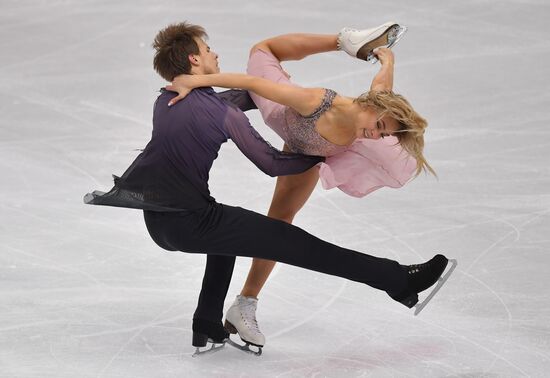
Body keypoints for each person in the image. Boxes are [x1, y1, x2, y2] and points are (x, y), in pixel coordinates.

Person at [84, 22, 452, 356]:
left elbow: (247, 94)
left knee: (227, 241)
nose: (216, 54)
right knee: (304, 247)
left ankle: (207, 324)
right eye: (208, 51)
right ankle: (399, 280)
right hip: (192, 222)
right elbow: (271, 163)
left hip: (162, 222)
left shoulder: (166, 99)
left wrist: (380, 67)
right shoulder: (221, 113)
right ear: (195, 60)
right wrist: (319, 155)